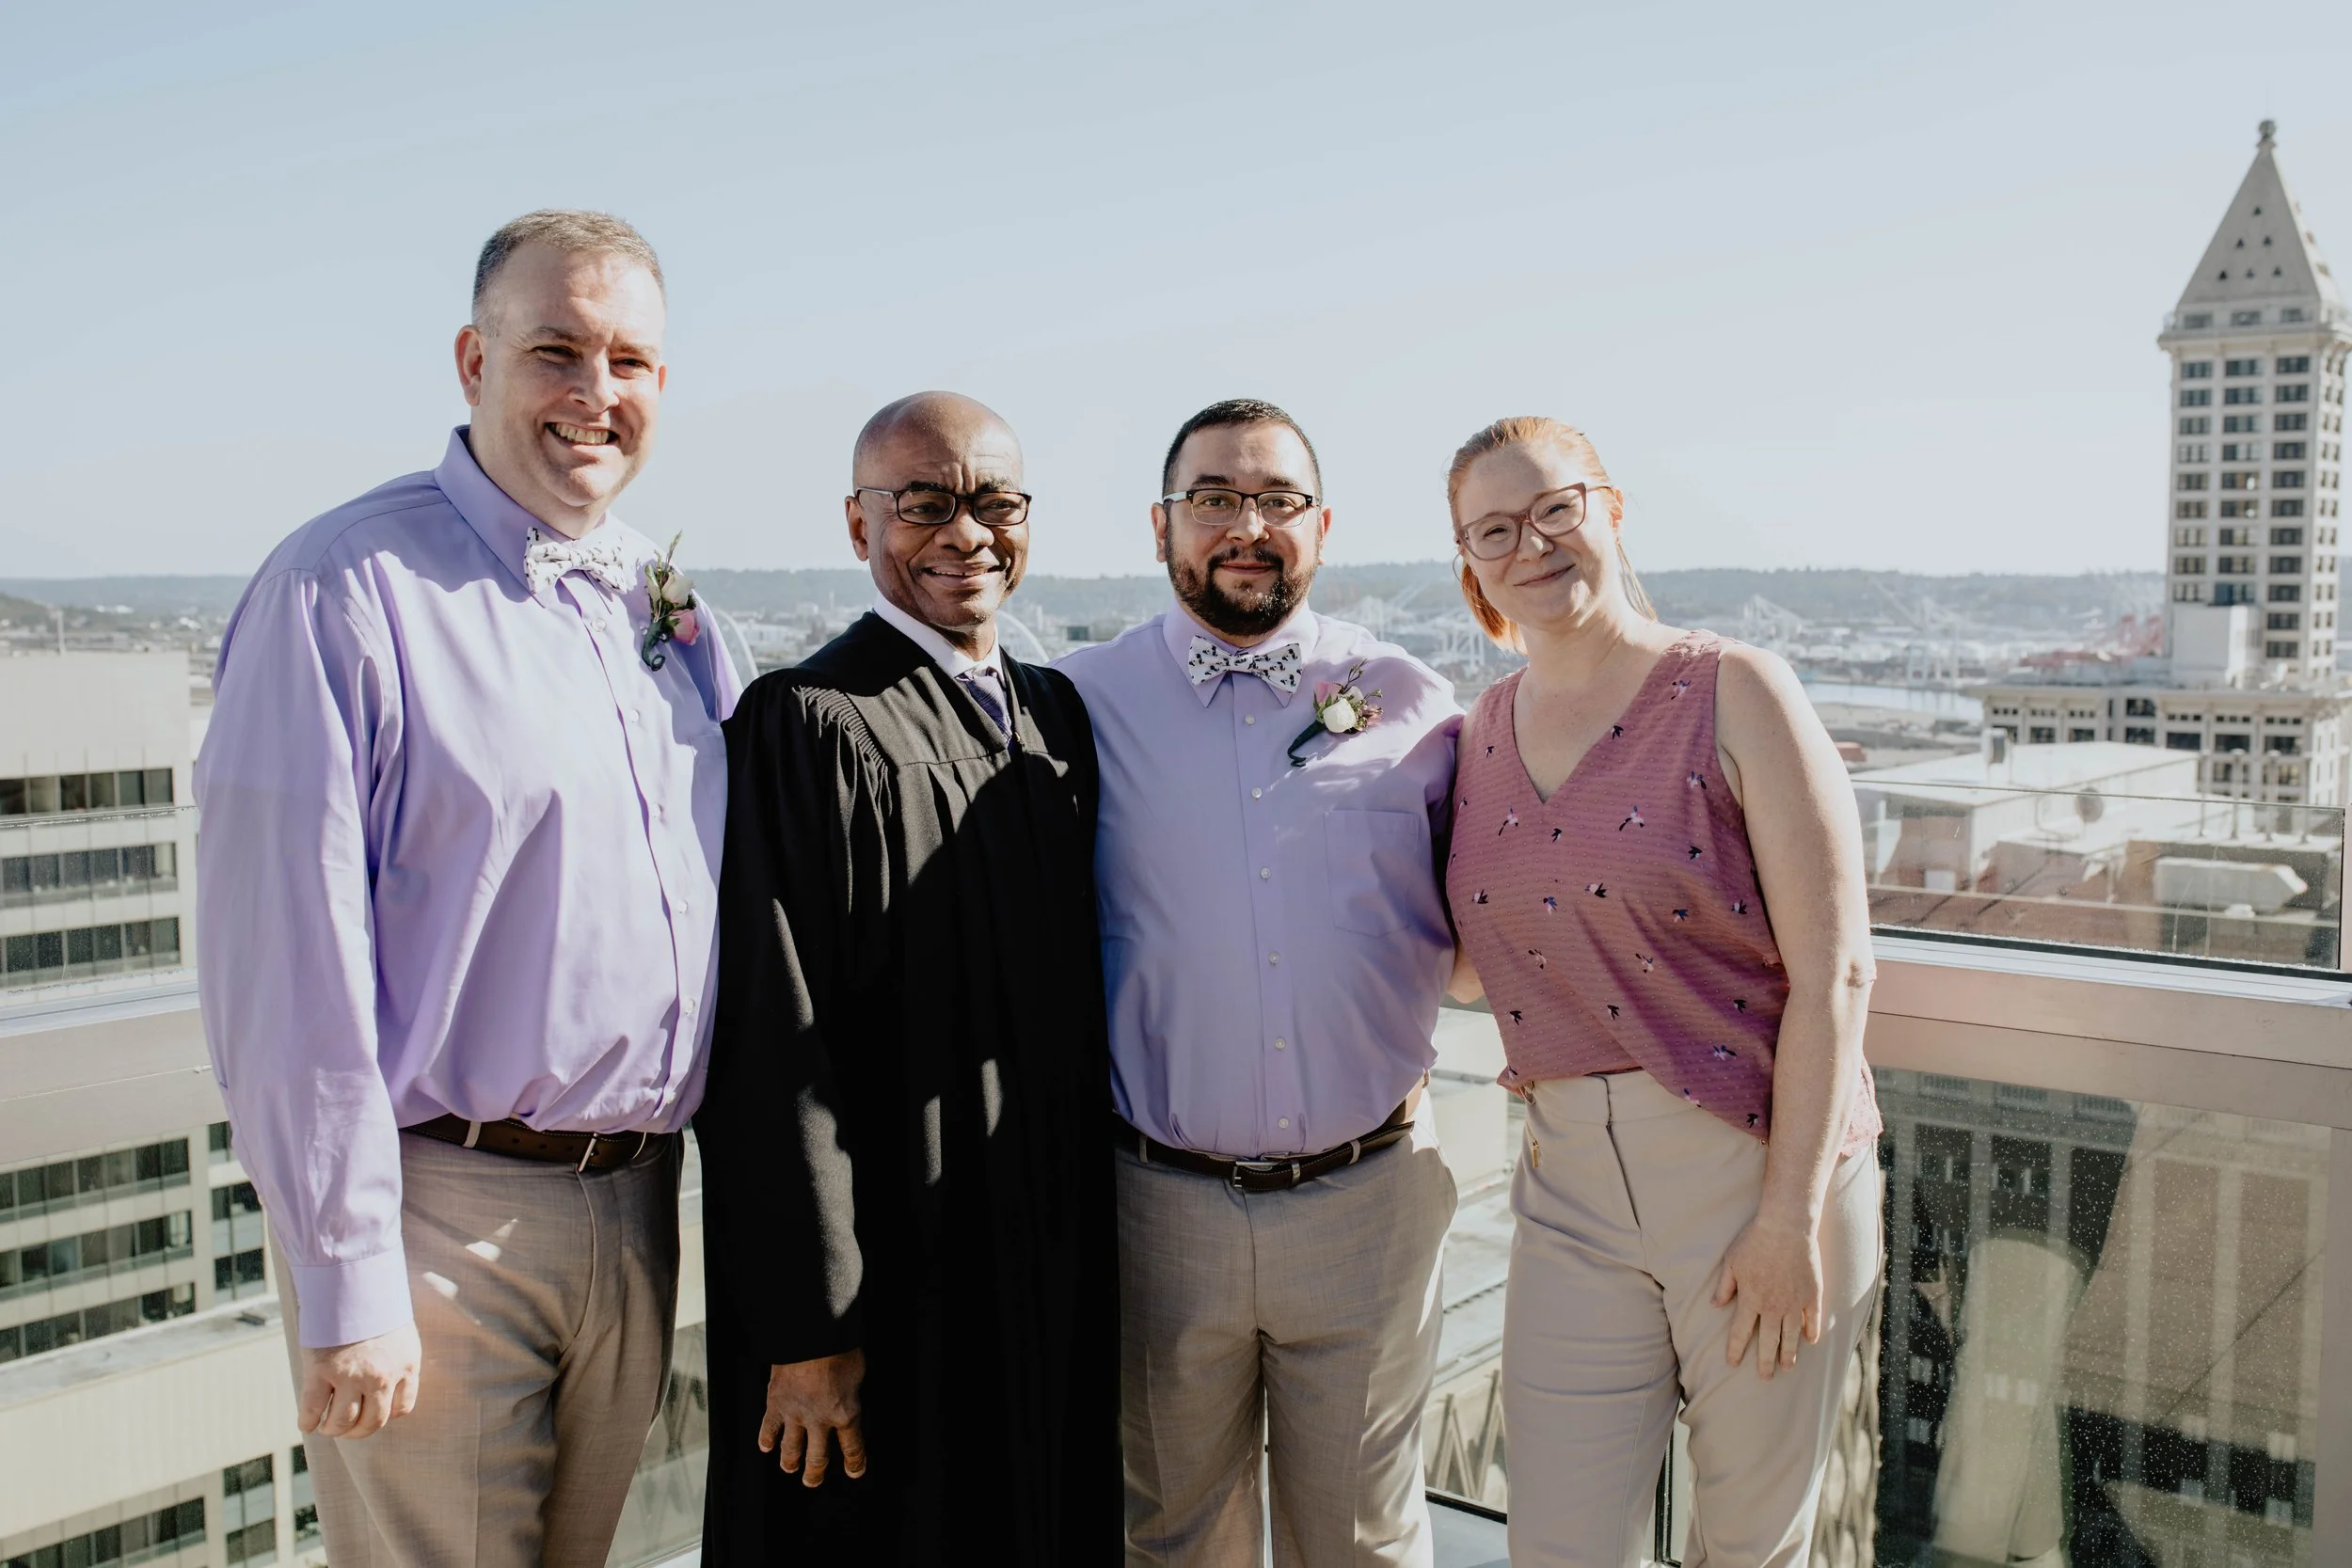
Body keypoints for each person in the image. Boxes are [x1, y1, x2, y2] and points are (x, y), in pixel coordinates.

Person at [195, 210, 738, 1568]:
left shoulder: (664, 613)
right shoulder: (345, 587)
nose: (595, 392)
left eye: (630, 360)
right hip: (442, 1219)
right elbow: (286, 963)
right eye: (555, 349)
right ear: (470, 358)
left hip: (637, 1213)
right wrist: (346, 1268)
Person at [1441, 416, 1883, 1567]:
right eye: (1495, 529)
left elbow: (1836, 966)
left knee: (1745, 1545)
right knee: (1559, 1545)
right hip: (1566, 1189)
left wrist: (1786, 1215)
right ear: (1470, 566)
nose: (1532, 544)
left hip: (1751, 1171)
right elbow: (1469, 949)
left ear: (1610, 508)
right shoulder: (1479, 731)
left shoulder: (1737, 689)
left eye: (1554, 508)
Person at [696, 391, 1120, 1562]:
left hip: (1043, 1258)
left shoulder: (1054, 715)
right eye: (923, 502)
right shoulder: (805, 723)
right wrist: (809, 1320)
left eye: (994, 501)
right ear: (857, 523)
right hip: (894, 1279)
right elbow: (770, 1042)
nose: (964, 532)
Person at [1057, 398, 1462, 1566]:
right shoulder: (1075, 703)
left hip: (1371, 1199)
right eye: (1216, 498)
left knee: (1365, 1543)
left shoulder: (1414, 700)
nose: (1248, 524)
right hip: (1159, 1206)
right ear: (1162, 527)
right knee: (1175, 1540)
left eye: (1278, 499)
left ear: (1321, 527)